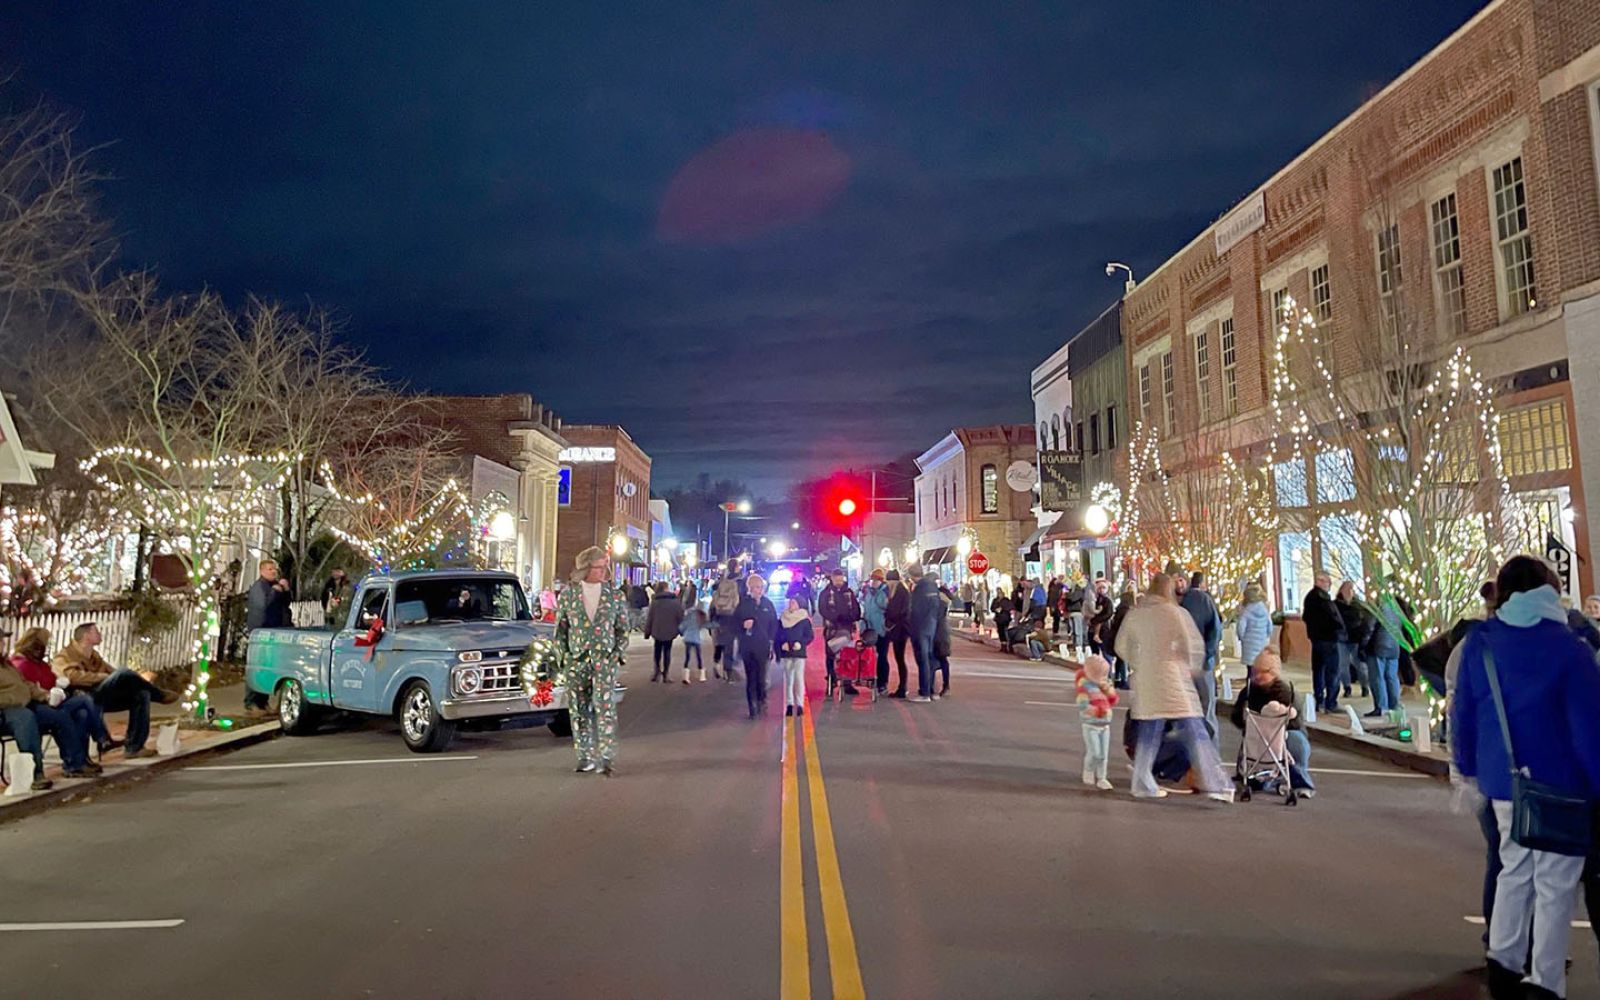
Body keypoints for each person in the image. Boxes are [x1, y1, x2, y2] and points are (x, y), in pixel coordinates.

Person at [1452, 555, 1600, 1000]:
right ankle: (1545, 982)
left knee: (1514, 870)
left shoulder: (1481, 641)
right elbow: (1588, 729)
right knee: (1555, 886)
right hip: (1562, 783)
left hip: (1504, 781)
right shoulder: (1569, 648)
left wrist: (1469, 767)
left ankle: (1503, 962)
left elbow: (1464, 713)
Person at [1119, 573, 1232, 802]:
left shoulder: (1137, 614)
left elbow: (1121, 646)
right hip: (1172, 678)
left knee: (1149, 733)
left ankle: (1142, 782)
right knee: (1194, 729)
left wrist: (1138, 662)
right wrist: (1189, 666)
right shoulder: (1175, 613)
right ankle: (1215, 782)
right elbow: (1192, 644)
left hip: (1147, 679)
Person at [554, 547, 630, 777]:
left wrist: (616, 654)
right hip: (577, 660)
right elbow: (561, 630)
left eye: (605, 566)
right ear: (586, 568)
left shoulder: (614, 595)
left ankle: (606, 756)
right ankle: (584, 755)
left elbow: (622, 629)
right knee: (579, 710)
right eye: (598, 567)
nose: (603, 571)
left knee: (605, 707)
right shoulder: (568, 595)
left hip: (604, 660)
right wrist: (564, 657)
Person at [56, 623, 167, 760]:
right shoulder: (65, 656)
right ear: (86, 636)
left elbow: (113, 673)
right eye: (96, 631)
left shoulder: (94, 655)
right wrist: (101, 677)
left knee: (142, 694)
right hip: (86, 697)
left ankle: (134, 747)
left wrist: (119, 679)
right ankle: (160, 695)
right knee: (124, 672)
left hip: (103, 694)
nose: (100, 634)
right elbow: (71, 677)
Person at [10, 628, 117, 758]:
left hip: (54, 699)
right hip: (38, 705)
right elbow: (28, 689)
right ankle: (101, 737)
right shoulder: (21, 665)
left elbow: (51, 680)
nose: (47, 647)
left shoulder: (41, 664)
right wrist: (47, 694)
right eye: (46, 643)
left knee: (82, 713)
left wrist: (59, 685)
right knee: (85, 700)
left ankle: (81, 760)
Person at [1, 653, 98, 786]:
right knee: (25, 718)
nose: (2, 644)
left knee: (59, 715)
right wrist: (15, 700)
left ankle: (75, 763)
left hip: (25, 704)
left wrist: (44, 696)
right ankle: (35, 773)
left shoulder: (6, 664)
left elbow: (25, 684)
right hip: (6, 710)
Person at [1228, 652, 1314, 795]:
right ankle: (1248, 778)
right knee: (1249, 740)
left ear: (1274, 672)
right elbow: (1236, 717)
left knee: (1297, 742)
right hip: (1257, 736)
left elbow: (1296, 722)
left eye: (1264, 671)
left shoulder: (1288, 692)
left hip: (1284, 735)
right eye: (1255, 671)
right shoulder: (1248, 692)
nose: (1258, 676)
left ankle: (1301, 782)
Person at [1174, 566, 1223, 741]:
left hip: (1202, 665)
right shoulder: (1168, 604)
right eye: (1174, 580)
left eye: (1181, 579)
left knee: (1207, 711)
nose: (1178, 583)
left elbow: (1215, 629)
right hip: (1178, 667)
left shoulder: (1201, 600)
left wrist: (1207, 654)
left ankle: (1213, 756)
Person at [243, 559, 292, 710]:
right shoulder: (259, 587)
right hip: (261, 632)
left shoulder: (274, 585)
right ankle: (251, 702)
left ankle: (262, 701)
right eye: (270, 569)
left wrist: (286, 590)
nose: (273, 572)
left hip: (274, 631)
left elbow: (286, 603)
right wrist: (275, 592)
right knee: (258, 666)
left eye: (274, 569)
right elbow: (264, 606)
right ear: (262, 571)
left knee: (269, 667)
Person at [1302, 572, 1346, 713]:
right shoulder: (1322, 599)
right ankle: (1330, 702)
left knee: (1318, 671)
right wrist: (1340, 629)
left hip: (1316, 639)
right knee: (1332, 671)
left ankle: (1319, 700)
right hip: (1328, 639)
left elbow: (1305, 617)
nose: (1330, 585)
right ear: (1320, 582)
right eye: (1328, 582)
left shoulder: (1309, 597)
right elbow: (1333, 618)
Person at [735, 574, 778, 718]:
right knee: (751, 678)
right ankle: (752, 707)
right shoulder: (743, 604)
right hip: (748, 647)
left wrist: (771, 641)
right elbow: (733, 624)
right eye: (755, 587)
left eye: (760, 587)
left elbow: (773, 624)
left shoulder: (767, 604)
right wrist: (742, 625)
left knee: (761, 676)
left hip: (763, 646)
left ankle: (761, 699)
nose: (758, 590)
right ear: (750, 588)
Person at [1075, 654, 1119, 790]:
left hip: (1105, 725)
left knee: (1103, 755)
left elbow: (1113, 701)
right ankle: (1088, 770)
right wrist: (1097, 711)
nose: (1104, 678)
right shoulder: (1085, 687)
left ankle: (1102, 777)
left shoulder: (1104, 685)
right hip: (1091, 724)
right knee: (1095, 752)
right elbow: (1082, 705)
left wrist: (1108, 690)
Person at [818, 569, 861, 697]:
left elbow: (856, 608)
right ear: (832, 578)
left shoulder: (849, 592)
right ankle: (831, 681)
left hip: (846, 629)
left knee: (847, 655)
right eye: (837, 580)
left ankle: (847, 683)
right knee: (831, 657)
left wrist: (852, 617)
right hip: (832, 629)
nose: (839, 582)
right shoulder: (826, 593)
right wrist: (836, 617)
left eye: (841, 580)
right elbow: (823, 609)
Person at [906, 564, 940, 703]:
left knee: (922, 659)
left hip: (920, 627)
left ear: (912, 576)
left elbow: (916, 610)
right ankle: (931, 690)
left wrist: (911, 627)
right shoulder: (932, 587)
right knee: (929, 658)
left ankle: (924, 692)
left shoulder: (919, 589)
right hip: (931, 626)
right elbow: (937, 607)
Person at [1366, 595, 1404, 718]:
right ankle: (1394, 705)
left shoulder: (1379, 607)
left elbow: (1370, 626)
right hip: (1394, 647)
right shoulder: (1398, 609)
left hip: (1378, 645)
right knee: (1392, 677)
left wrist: (1364, 643)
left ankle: (1381, 707)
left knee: (1377, 678)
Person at [775, 595, 813, 717]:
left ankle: (800, 704)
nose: (791, 604)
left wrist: (800, 644)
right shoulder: (783, 619)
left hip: (798, 652)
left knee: (798, 678)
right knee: (789, 679)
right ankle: (789, 704)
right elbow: (778, 635)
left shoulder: (804, 620)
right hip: (787, 652)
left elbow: (809, 636)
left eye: (794, 602)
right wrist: (781, 646)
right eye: (791, 602)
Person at [1335, 580, 1371, 700]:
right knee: (1342, 666)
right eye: (1347, 589)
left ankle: (1365, 686)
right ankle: (1347, 687)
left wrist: (1363, 636)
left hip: (1356, 639)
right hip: (1342, 639)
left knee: (1360, 665)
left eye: (1351, 589)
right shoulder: (1336, 605)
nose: (1349, 591)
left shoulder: (1358, 605)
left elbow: (1365, 621)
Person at [644, 582, 685, 683]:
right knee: (667, 651)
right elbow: (680, 616)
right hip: (670, 630)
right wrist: (682, 630)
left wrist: (647, 632)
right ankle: (666, 673)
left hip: (657, 629)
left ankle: (657, 671)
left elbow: (650, 618)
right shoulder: (675, 601)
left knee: (657, 651)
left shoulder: (655, 601)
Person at [883, 570, 912, 698]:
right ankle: (902, 687)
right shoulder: (902, 591)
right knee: (899, 658)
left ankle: (902, 688)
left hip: (899, 629)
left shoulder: (900, 592)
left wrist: (887, 617)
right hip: (900, 629)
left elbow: (896, 612)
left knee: (899, 658)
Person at [1235, 583, 1273, 676]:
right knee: (1261, 668)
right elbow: (1270, 626)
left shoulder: (1246, 611)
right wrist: (1266, 636)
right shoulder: (1264, 610)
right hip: (1262, 642)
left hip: (1249, 643)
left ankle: (1250, 687)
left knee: (1250, 670)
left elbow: (1241, 627)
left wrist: (1242, 638)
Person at [1103, 585, 1136, 689]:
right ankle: (1123, 680)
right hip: (1122, 637)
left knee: (1120, 659)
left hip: (1116, 636)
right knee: (1123, 659)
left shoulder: (1120, 609)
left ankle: (1118, 679)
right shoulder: (1126, 611)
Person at [710, 579, 742, 681]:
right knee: (729, 648)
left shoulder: (716, 595)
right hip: (730, 622)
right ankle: (727, 672)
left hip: (718, 622)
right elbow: (738, 610)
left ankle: (716, 663)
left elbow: (711, 610)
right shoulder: (734, 596)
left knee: (718, 645)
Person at [932, 585, 953, 698]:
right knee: (942, 660)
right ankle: (945, 685)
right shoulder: (944, 603)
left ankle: (938, 687)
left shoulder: (940, 604)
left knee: (937, 659)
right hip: (943, 634)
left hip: (938, 634)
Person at [1086, 579, 1113, 656]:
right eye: (1099, 588)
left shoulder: (1108, 601)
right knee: (1094, 651)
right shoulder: (1095, 599)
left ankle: (1107, 667)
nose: (1101, 590)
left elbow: (1108, 613)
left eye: (1103, 588)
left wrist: (1096, 620)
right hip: (1092, 628)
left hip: (1103, 629)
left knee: (1105, 652)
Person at [679, 607, 707, 682]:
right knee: (699, 656)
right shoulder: (700, 618)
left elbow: (681, 627)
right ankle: (702, 675)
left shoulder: (687, 618)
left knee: (687, 657)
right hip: (696, 639)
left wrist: (681, 633)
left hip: (687, 639)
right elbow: (707, 625)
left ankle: (686, 676)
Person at [1066, 580, 1086, 652]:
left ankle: (1079, 646)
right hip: (1070, 612)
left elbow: (1073, 598)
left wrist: (1067, 595)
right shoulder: (1070, 591)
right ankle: (1075, 646)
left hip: (1077, 612)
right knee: (1073, 631)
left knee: (1078, 631)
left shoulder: (1078, 591)